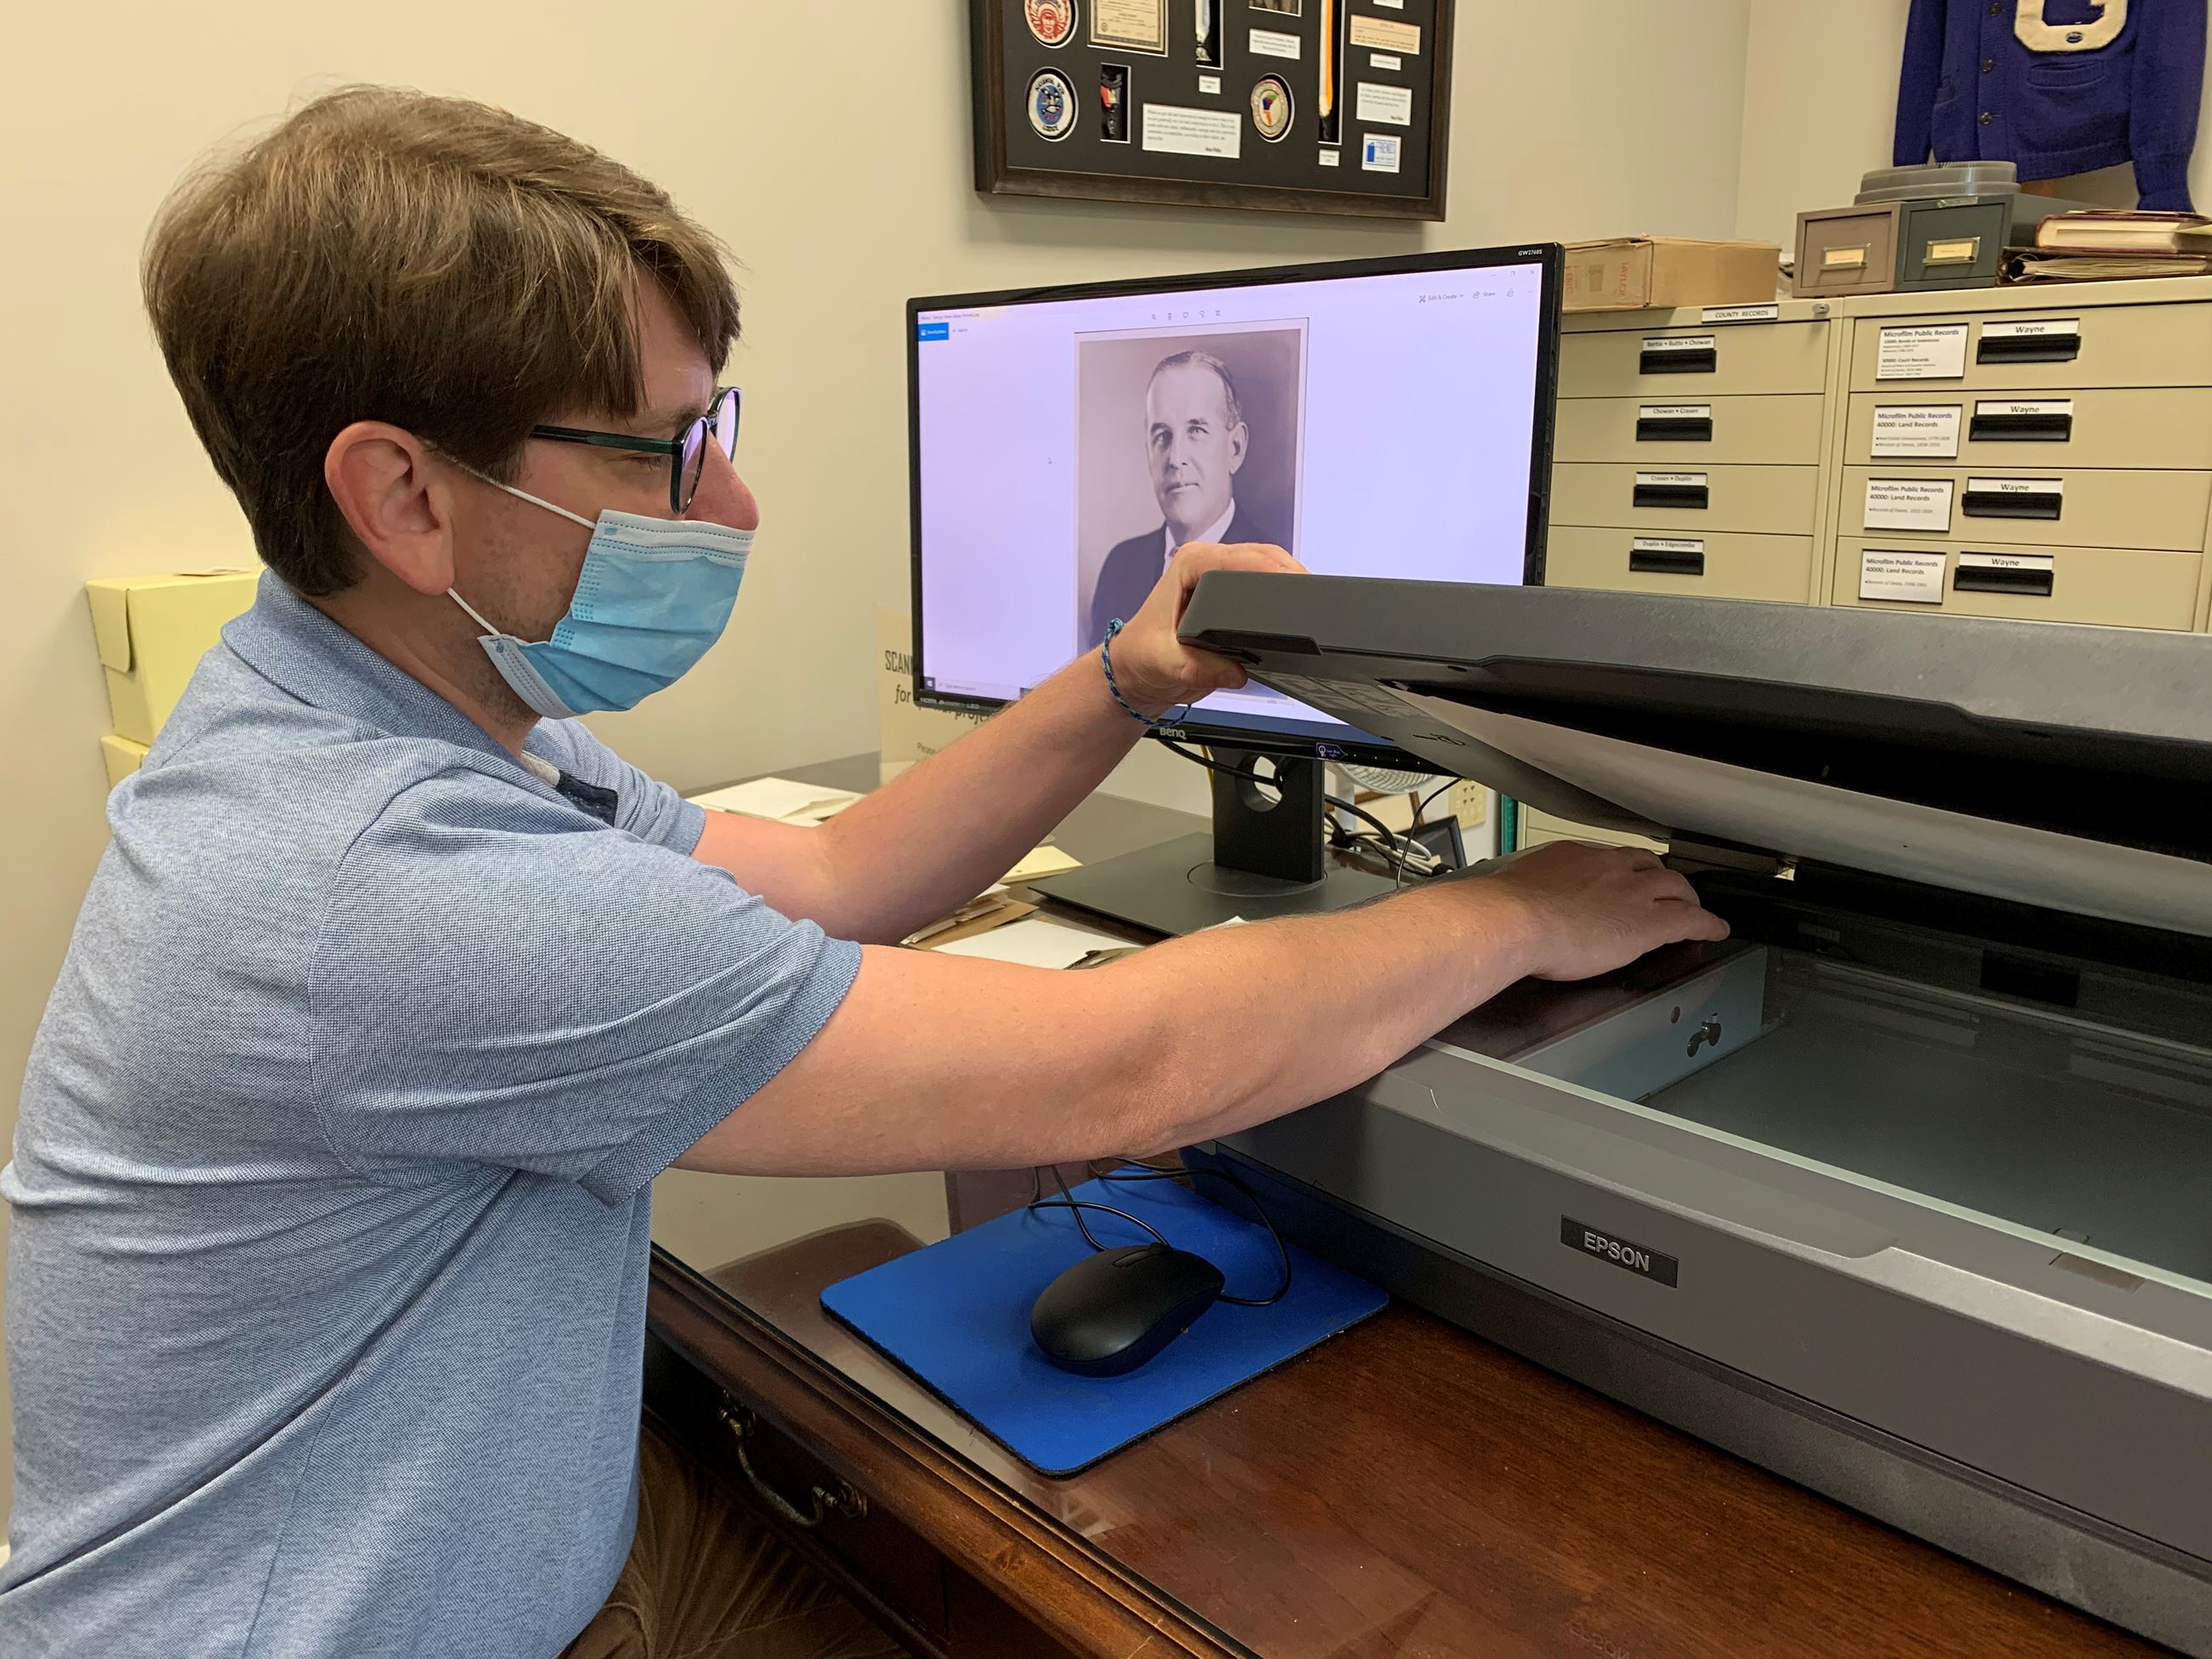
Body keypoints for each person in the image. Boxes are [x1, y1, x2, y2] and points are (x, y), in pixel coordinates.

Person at [0, 87, 1727, 1659]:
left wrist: (1121, 681)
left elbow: (831, 876)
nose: (737, 506)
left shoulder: (385, 712)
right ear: (402, 495)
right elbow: (1125, 1067)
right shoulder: (400, 886)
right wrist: (1514, 908)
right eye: (667, 450)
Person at [1086, 351, 1290, 648]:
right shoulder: (1119, 567)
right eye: (1162, 436)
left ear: (1235, 448)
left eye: (1196, 430)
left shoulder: (1277, 572)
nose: (1176, 458)